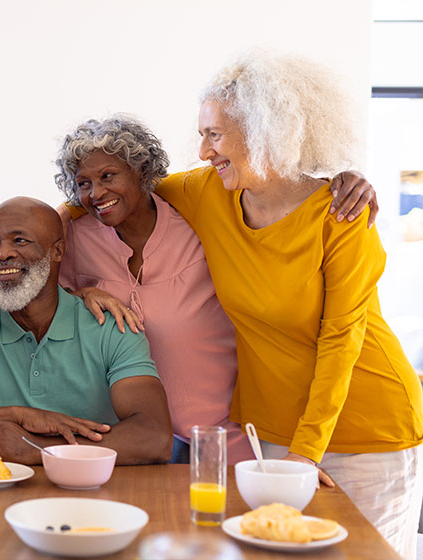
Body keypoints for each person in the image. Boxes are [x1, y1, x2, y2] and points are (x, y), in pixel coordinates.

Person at [156, 51, 423, 558]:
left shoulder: (341, 216)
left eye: (214, 134)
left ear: (264, 129)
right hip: (274, 431)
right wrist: (51, 231)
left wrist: (306, 455)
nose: (203, 149)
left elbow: (342, 341)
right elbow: (114, 194)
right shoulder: (204, 192)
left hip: (369, 431)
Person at [0, 197, 173, 465]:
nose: (2, 254)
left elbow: (154, 437)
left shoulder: (113, 329)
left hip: (95, 501)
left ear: (57, 251)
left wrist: (38, 449)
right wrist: (18, 416)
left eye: (20, 240)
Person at [54, 116, 252, 464]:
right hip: (128, 441)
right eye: (83, 183)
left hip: (219, 436)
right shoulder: (76, 238)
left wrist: (337, 182)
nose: (96, 193)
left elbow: (270, 194)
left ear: (141, 172)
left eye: (108, 176)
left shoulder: (195, 225)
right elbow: (38, 304)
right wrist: (81, 296)